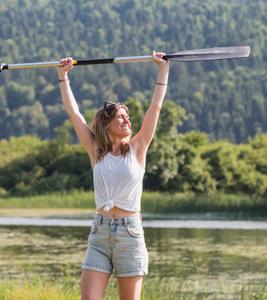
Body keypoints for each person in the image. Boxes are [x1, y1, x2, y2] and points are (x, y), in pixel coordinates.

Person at [57, 50, 169, 300]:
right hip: (100, 233)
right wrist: (63, 77)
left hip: (130, 234)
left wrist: (163, 69)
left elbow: (156, 107)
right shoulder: (96, 150)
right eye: (121, 116)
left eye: (128, 117)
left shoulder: (138, 149)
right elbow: (75, 114)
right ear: (106, 125)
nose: (127, 120)